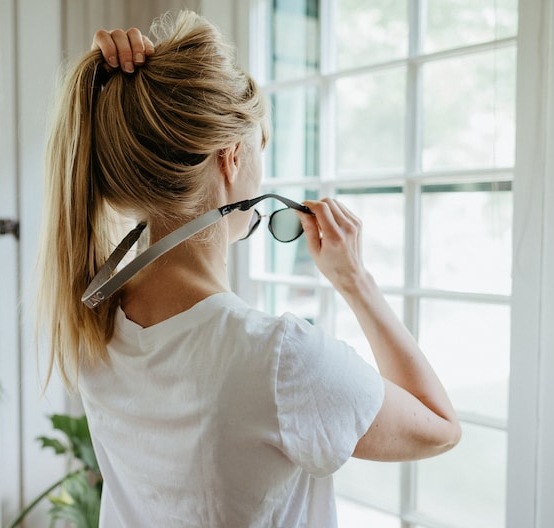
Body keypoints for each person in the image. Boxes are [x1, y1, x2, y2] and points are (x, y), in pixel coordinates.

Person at [36, 10, 460, 527]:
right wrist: (356, 280)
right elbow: (440, 426)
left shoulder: (93, 315)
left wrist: (119, 100)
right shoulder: (280, 360)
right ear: (231, 158)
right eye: (261, 148)